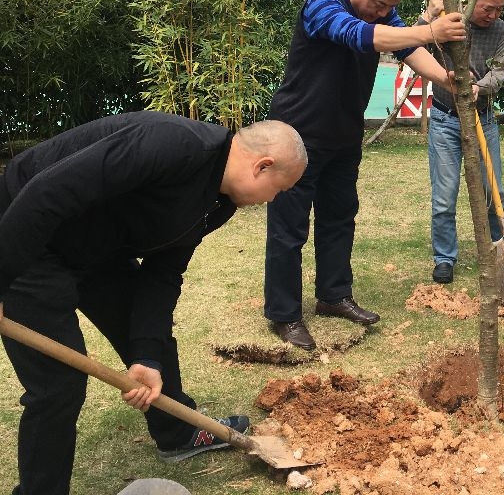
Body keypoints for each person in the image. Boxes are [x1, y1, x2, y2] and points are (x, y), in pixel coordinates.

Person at [0, 112, 307, 495]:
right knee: (58, 385)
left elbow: (163, 274)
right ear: (263, 166)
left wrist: (145, 355)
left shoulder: (218, 201)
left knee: (153, 342)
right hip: (27, 235)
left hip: (98, 248)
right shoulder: (173, 145)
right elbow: (46, 194)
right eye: (279, 190)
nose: (272, 200)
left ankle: (177, 433)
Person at [265, 0, 466, 350]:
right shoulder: (322, 4)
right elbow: (360, 36)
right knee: (290, 228)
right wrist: (429, 29)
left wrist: (449, 79)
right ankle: (284, 315)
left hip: (342, 135)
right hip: (295, 137)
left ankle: (334, 296)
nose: (381, 12)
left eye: (389, 7)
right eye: (377, 3)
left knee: (340, 217)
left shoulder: (382, 14)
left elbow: (407, 49)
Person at [419, 0, 504, 284]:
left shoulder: (502, 31)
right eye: (488, 8)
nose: (493, 15)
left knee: (493, 191)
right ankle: (444, 258)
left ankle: (500, 251)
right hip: (446, 119)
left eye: (499, 9)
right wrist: (429, 16)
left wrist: (479, 87)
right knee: (444, 197)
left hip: (483, 120)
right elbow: (412, 45)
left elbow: (499, 73)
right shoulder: (449, 22)